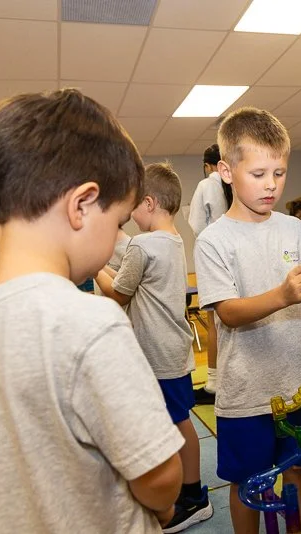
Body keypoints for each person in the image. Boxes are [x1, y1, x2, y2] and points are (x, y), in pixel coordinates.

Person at [0, 89, 184, 533]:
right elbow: (161, 477)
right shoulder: (90, 322)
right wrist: (164, 510)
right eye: (119, 221)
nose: (116, 238)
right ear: (82, 205)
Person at [194, 107, 301, 534]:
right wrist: (283, 294)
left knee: (297, 468)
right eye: (258, 174)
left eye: (279, 173)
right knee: (248, 484)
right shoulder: (213, 240)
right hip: (245, 392)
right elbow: (228, 312)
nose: (271, 185)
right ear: (226, 171)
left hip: (293, 385)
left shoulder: (293, 228)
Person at [97, 162, 212, 532]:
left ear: (147, 203)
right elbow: (134, 286)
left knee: (178, 425)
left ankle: (192, 497)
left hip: (157, 354)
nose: (128, 215)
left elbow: (117, 293)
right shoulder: (174, 241)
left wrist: (95, 264)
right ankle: (185, 490)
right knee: (179, 423)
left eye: (131, 207)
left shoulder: (142, 246)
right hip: (172, 350)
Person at [188, 143, 232, 405]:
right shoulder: (233, 183)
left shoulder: (207, 185)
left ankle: (215, 383)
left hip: (213, 259)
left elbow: (195, 225)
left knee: (216, 324)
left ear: (208, 166)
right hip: (233, 258)